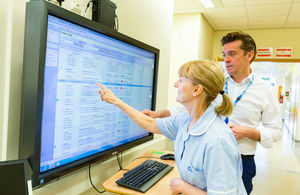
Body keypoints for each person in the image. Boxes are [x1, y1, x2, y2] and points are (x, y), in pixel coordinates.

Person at [143, 31, 282, 195]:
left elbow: (276, 131)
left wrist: (247, 132)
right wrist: (159, 114)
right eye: (224, 54)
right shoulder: (215, 82)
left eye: (232, 54)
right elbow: (187, 108)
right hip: (203, 157)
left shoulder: (265, 90)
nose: (226, 59)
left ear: (249, 55)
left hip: (241, 160)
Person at [97, 60, 247, 195]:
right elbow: (150, 124)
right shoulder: (186, 120)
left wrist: (183, 187)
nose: (175, 84)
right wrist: (116, 101)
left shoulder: (217, 140)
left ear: (197, 90)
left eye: (181, 80)